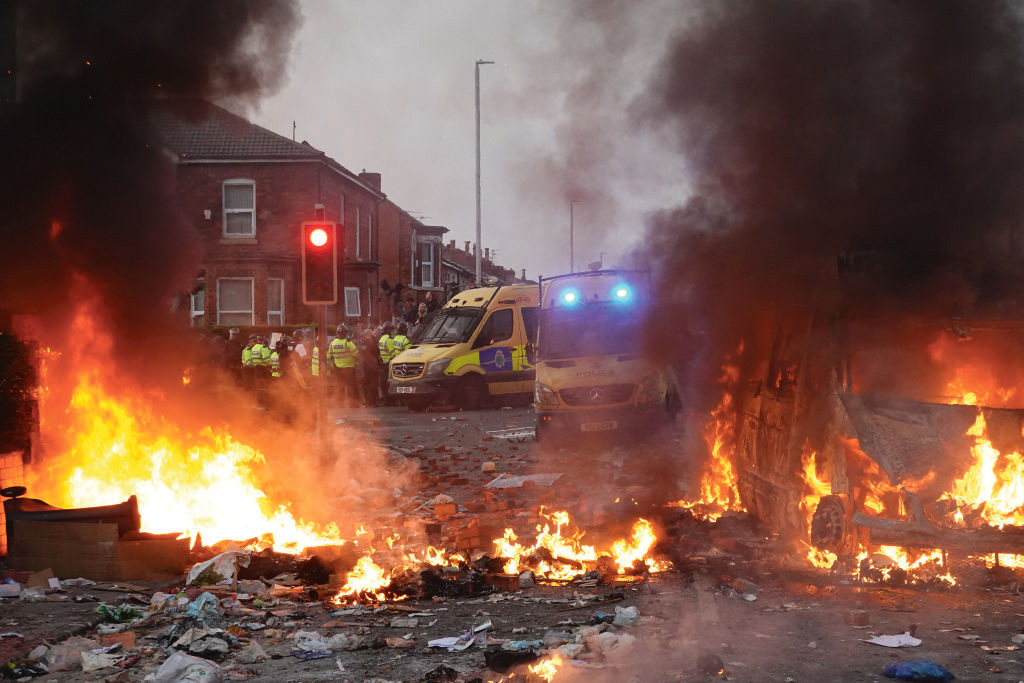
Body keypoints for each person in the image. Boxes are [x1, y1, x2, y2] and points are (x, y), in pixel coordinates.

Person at [328, 324, 359, 407]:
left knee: (339, 387)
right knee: (350, 387)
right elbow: (356, 354)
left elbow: (330, 355)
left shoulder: (332, 343)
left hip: (338, 368)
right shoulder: (348, 342)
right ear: (345, 333)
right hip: (349, 368)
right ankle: (352, 404)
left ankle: (340, 404)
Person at [378, 322, 397, 402]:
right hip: (389, 364)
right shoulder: (389, 340)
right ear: (388, 330)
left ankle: (386, 400)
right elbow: (393, 354)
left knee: (384, 383)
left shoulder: (381, 339)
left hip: (384, 363)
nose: (393, 332)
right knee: (390, 383)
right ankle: (390, 400)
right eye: (392, 330)